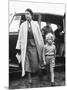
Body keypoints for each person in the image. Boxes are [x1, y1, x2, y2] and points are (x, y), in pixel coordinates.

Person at [16, 8, 44, 83]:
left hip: (34, 46)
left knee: (35, 62)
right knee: (26, 63)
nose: (26, 15)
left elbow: (39, 35)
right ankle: (29, 80)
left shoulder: (36, 24)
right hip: (26, 47)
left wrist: (42, 45)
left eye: (28, 14)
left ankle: (39, 72)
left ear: (31, 15)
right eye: (25, 14)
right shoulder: (22, 25)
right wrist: (18, 47)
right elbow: (20, 37)